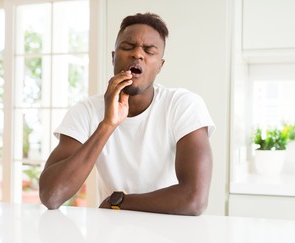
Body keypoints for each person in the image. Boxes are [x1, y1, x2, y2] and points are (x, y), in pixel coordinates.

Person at [39, 13, 215, 215]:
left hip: (170, 234)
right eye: (128, 47)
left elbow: (194, 199)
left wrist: (118, 203)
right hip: (111, 236)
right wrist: (107, 124)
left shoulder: (183, 105)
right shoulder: (86, 110)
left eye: (149, 51)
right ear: (114, 57)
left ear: (160, 65)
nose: (138, 55)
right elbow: (51, 195)